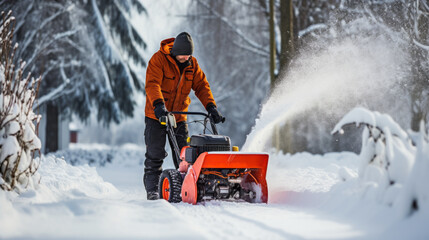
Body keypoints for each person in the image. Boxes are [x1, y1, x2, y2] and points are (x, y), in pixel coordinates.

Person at [144, 32, 223, 200]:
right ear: (174, 52)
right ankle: (153, 191)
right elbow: (153, 84)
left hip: (178, 117)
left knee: (185, 155)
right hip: (156, 115)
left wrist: (211, 107)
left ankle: (188, 188)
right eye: (182, 55)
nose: (185, 58)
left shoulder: (192, 64)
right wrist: (158, 105)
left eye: (188, 55)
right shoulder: (158, 60)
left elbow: (202, 86)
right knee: (155, 154)